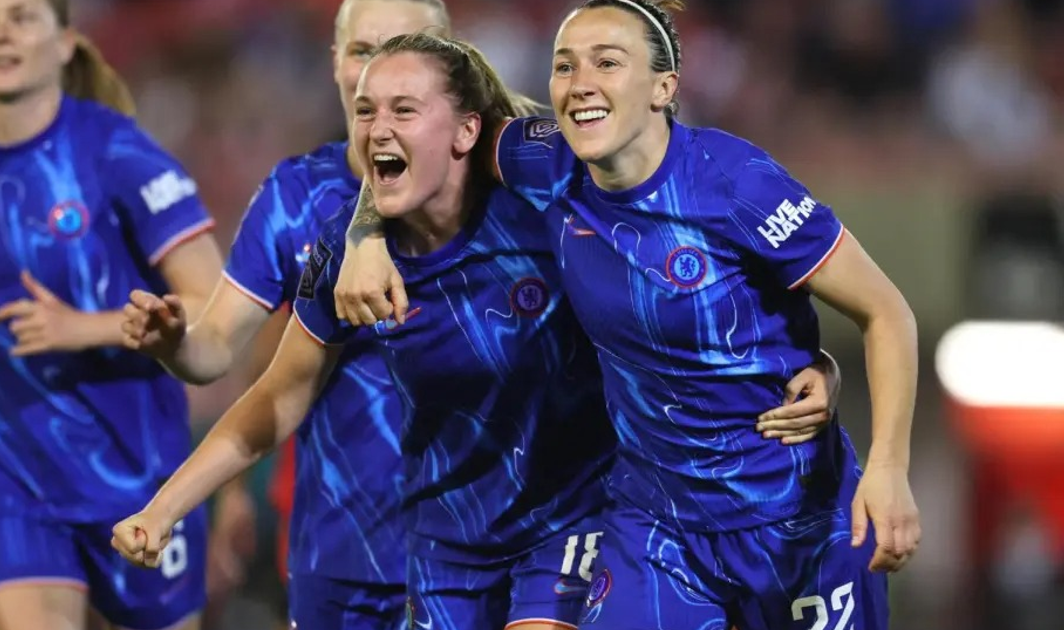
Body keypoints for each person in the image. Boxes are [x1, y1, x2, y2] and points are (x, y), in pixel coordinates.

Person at [113, 32, 841, 630]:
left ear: (468, 130)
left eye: (404, 108)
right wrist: (164, 508)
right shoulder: (343, 250)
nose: (377, 128)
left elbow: (685, 269)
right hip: (446, 543)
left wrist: (816, 365)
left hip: (578, 517)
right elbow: (278, 396)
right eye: (365, 112)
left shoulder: (547, 196)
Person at [331, 2, 922, 629]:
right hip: (657, 528)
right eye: (564, 65)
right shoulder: (545, 161)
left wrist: (888, 466)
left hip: (792, 517)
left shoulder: (738, 185)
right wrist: (364, 237)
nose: (580, 82)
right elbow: (417, 135)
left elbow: (887, 313)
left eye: (607, 63)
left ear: (664, 88)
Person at [0, 1, 222, 629]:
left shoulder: (119, 153)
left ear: (65, 44)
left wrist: (87, 328)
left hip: (136, 470)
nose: (0, 31)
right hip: (7, 464)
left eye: (22, 16)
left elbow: (213, 304)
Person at [119, 1, 451, 628]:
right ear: (334, 64)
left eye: (403, 46)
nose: (379, 70)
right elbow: (223, 351)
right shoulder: (296, 199)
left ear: (451, 61)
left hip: (478, 554)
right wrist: (175, 343)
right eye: (361, 51)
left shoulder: (508, 188)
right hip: (339, 558)